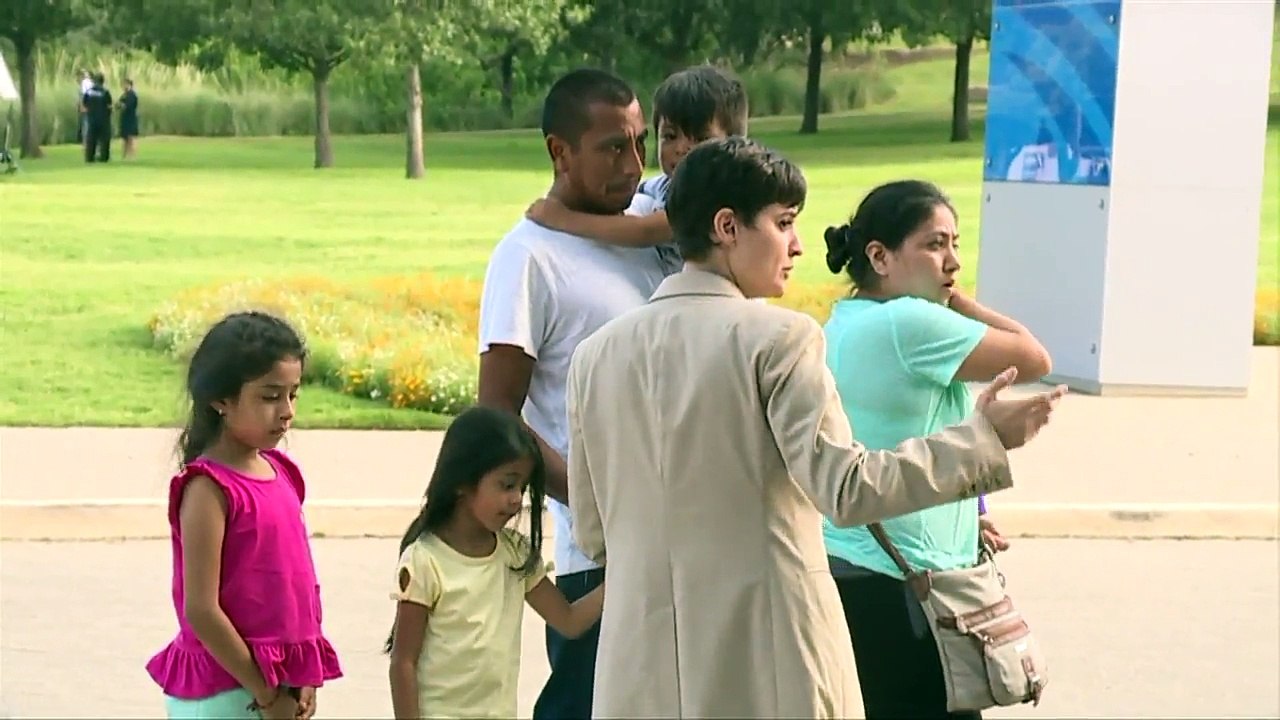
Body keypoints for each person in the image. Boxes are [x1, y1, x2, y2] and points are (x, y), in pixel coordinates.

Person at [565, 137, 1068, 718]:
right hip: (766, 655)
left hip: (641, 665)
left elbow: (595, 529)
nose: (798, 245)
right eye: (783, 223)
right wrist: (983, 440)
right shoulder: (778, 339)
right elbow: (847, 490)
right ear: (728, 226)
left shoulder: (596, 355)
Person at [476, 67, 670, 719]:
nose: (634, 164)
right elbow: (497, 415)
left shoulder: (655, 223)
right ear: (560, 151)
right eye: (613, 147)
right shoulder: (527, 257)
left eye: (640, 142)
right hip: (600, 555)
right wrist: (597, 502)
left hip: (689, 539)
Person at [820, 180, 1053, 720]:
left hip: (854, 567)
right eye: (934, 245)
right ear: (879, 256)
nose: (952, 261)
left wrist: (967, 515)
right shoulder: (910, 321)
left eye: (954, 244)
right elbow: (1033, 355)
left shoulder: (844, 321)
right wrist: (958, 300)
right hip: (907, 583)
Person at [145, 311, 343, 720]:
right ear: (220, 398)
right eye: (270, 396)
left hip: (275, 688)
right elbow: (201, 608)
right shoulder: (207, 488)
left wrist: (303, 672)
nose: (287, 411)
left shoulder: (282, 472)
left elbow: (297, 583)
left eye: (294, 394)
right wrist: (266, 691)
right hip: (228, 689)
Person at [385, 406, 605, 719]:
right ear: (463, 480)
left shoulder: (515, 554)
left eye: (523, 487)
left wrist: (623, 573)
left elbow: (568, 621)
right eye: (507, 484)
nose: (517, 498)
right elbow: (403, 662)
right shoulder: (425, 561)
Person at [526, 64, 748, 275]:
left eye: (700, 139)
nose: (682, 149)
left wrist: (563, 218)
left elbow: (645, 231)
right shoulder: (661, 185)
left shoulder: (714, 197)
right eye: (670, 136)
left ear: (732, 145)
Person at [81, 72, 112, 163]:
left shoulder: (89, 92)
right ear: (103, 81)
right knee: (104, 139)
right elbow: (109, 106)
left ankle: (89, 157)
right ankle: (104, 157)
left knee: (91, 139)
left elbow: (84, 106)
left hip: (91, 119)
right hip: (103, 119)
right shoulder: (105, 92)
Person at [118, 78, 139, 159]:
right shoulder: (124, 94)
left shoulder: (132, 95)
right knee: (124, 138)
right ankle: (124, 155)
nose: (123, 86)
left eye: (124, 84)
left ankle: (132, 156)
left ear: (128, 84)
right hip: (124, 118)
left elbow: (128, 106)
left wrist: (122, 105)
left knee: (131, 138)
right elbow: (119, 104)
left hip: (131, 118)